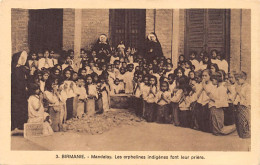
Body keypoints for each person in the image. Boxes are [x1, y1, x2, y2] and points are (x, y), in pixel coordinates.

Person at [11, 51, 29, 131]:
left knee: (23, 107)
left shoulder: (24, 69)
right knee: (16, 107)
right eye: (21, 58)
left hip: (23, 92)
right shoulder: (14, 69)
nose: (23, 60)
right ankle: (15, 124)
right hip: (16, 92)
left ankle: (21, 124)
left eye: (24, 59)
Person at [234, 71, 251, 138]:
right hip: (238, 106)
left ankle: (245, 135)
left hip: (244, 106)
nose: (237, 81)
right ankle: (241, 135)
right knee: (238, 122)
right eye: (236, 79)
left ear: (243, 78)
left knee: (244, 122)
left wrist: (239, 92)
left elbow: (247, 100)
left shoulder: (248, 87)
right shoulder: (239, 86)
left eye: (238, 79)